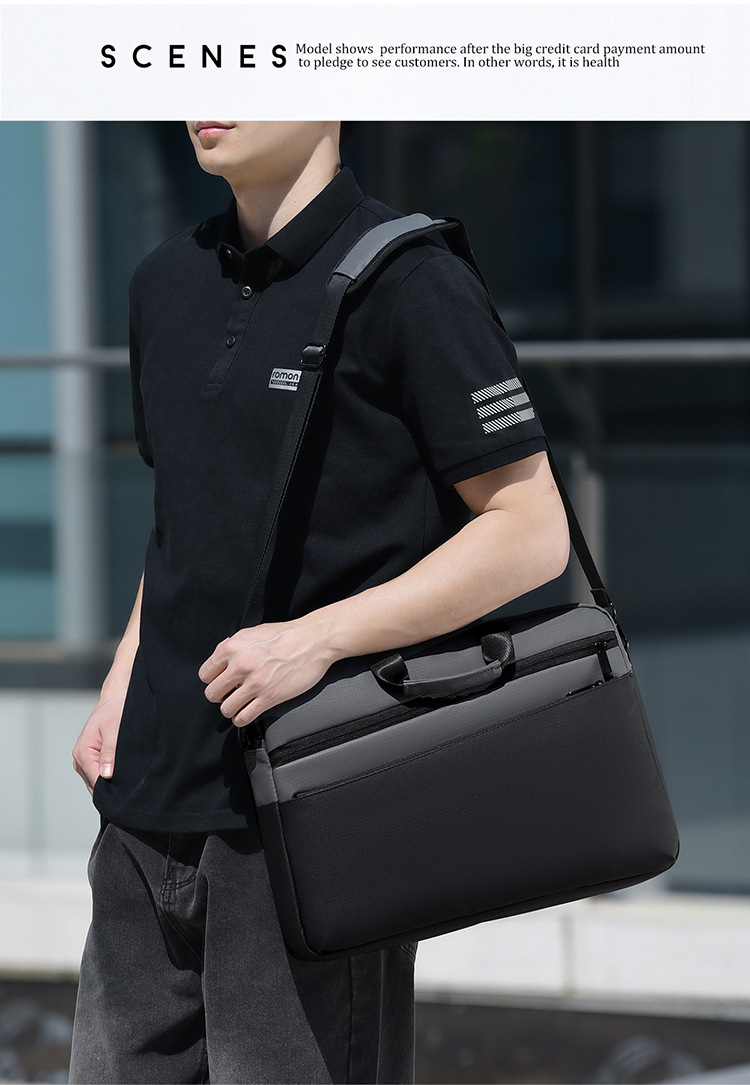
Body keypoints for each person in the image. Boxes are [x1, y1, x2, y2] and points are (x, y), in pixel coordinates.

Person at [69, 121, 570, 1085]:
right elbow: (189, 516)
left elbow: (530, 530)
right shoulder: (162, 282)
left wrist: (317, 639)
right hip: (143, 812)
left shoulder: (413, 283)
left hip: (312, 810)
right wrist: (122, 678)